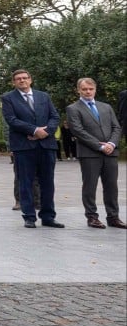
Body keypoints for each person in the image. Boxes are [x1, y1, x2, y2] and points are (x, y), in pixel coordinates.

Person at [1, 69, 64, 229]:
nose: (22, 81)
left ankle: (48, 216)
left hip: (46, 145)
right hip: (24, 147)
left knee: (48, 182)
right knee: (26, 183)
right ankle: (29, 216)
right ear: (14, 82)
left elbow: (55, 116)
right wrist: (35, 130)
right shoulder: (8, 98)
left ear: (30, 79)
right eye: (18, 79)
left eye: (24, 78)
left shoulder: (44, 96)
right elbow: (11, 120)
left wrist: (46, 132)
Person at [65, 78, 125, 229]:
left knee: (111, 186)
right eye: (84, 89)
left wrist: (111, 144)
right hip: (89, 153)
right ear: (78, 90)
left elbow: (117, 127)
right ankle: (92, 217)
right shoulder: (73, 108)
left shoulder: (106, 107)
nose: (88, 92)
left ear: (95, 89)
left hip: (110, 153)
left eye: (90, 89)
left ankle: (113, 217)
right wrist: (99, 146)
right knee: (90, 186)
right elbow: (78, 131)